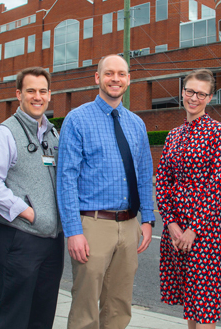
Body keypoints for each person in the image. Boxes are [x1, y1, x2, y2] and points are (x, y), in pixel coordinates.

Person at [57, 54, 156, 329]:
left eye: (121, 74)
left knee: (119, 307)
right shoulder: (77, 120)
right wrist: (73, 231)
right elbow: (66, 179)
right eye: (109, 73)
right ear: (98, 78)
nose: (116, 79)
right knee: (85, 308)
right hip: (92, 225)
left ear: (128, 80)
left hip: (129, 225)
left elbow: (145, 175)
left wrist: (147, 220)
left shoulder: (136, 123)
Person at [0, 67, 63, 329]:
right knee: (14, 318)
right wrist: (28, 212)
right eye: (30, 91)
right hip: (20, 238)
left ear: (50, 95)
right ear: (18, 94)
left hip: (51, 242)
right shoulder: (4, 133)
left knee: (43, 315)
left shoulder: (53, 134)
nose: (37, 97)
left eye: (42, 91)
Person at [156, 69, 221, 328]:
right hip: (176, 231)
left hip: (205, 231)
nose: (194, 98)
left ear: (210, 98)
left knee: (205, 308)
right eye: (190, 91)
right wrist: (171, 223)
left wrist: (193, 229)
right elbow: (163, 181)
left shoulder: (218, 133)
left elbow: (216, 186)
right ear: (182, 92)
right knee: (191, 305)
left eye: (201, 93)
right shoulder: (173, 135)